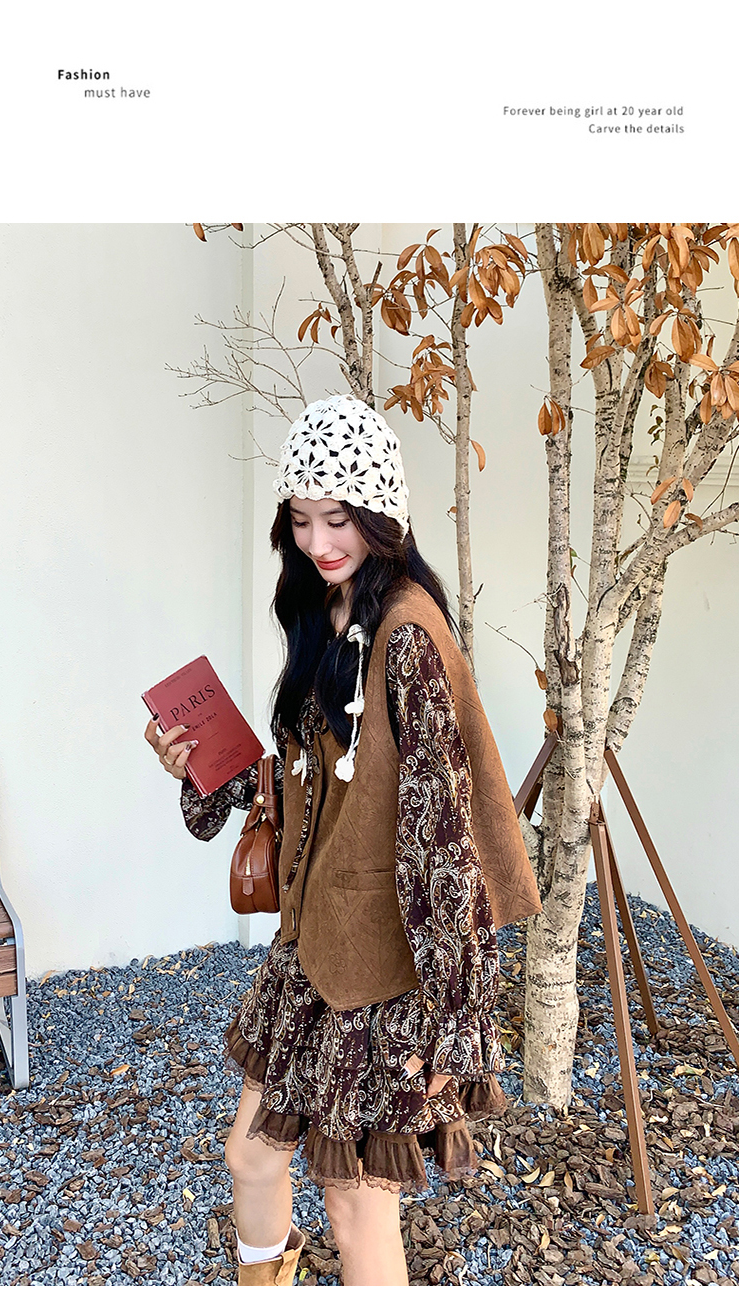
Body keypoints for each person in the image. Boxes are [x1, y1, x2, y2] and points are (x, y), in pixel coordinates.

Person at [144, 394, 541, 1286]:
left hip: (388, 975)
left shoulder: (406, 637)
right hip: (317, 944)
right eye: (302, 518)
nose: (320, 540)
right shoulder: (323, 611)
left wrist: (454, 1025)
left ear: (380, 514)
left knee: (358, 1212)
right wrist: (199, 767)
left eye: (339, 518)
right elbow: (308, 782)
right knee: (251, 1157)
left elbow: (443, 841)